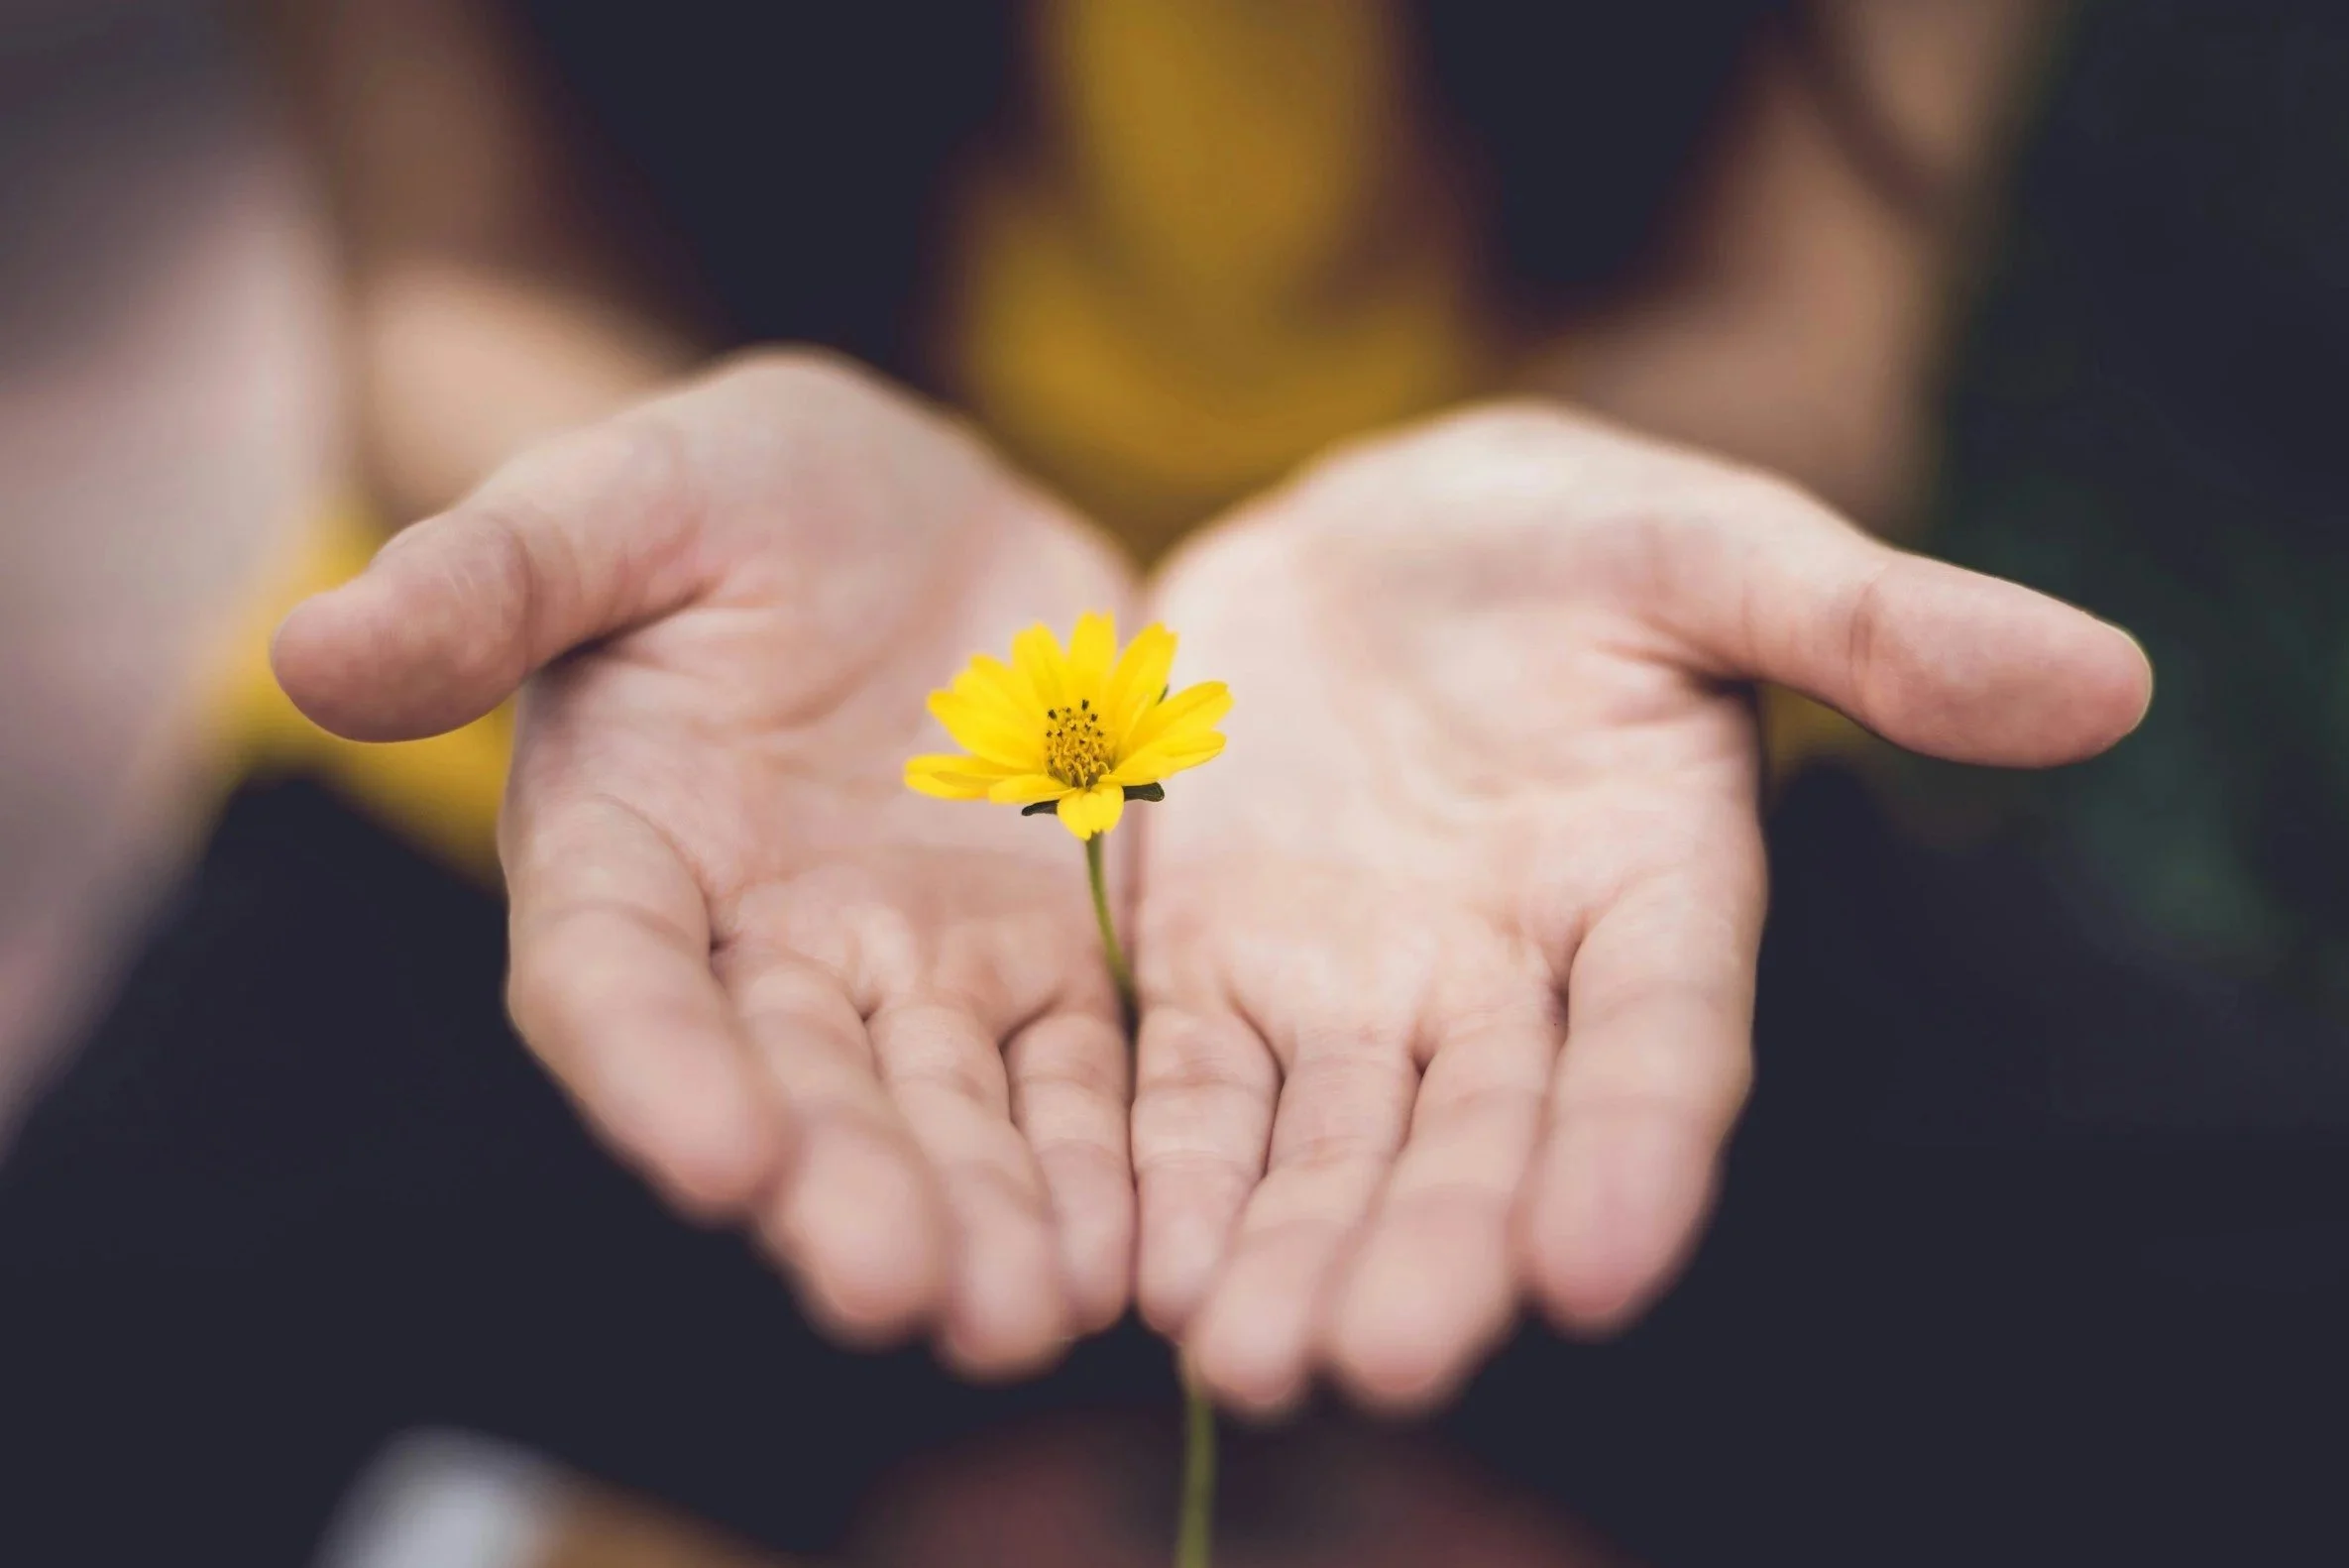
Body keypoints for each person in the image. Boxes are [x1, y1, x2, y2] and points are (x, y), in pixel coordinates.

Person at [7, 2, 2345, 1563]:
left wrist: (1566, 520)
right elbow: (460, 259)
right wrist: (623, 500)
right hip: (721, 763)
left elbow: (1799, 322)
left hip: (1529, 787)